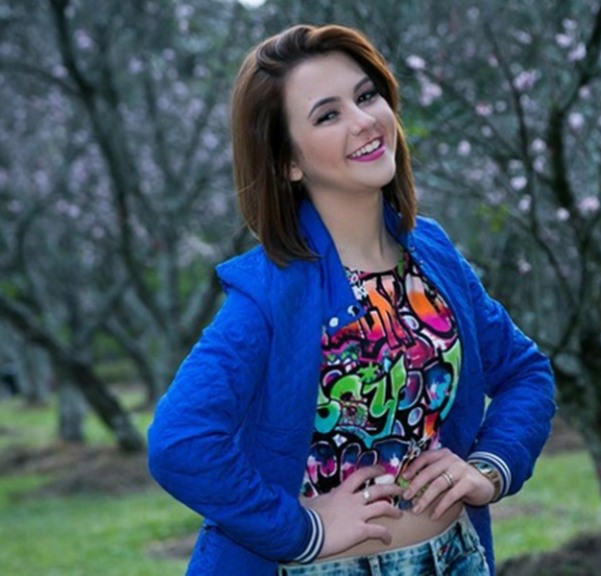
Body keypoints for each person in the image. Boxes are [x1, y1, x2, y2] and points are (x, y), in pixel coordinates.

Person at [148, 23, 556, 576]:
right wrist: (301, 530)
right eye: (327, 115)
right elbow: (180, 441)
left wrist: (490, 467)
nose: (364, 121)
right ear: (288, 162)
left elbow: (526, 372)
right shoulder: (269, 292)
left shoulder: (434, 254)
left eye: (366, 96)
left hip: (455, 558)